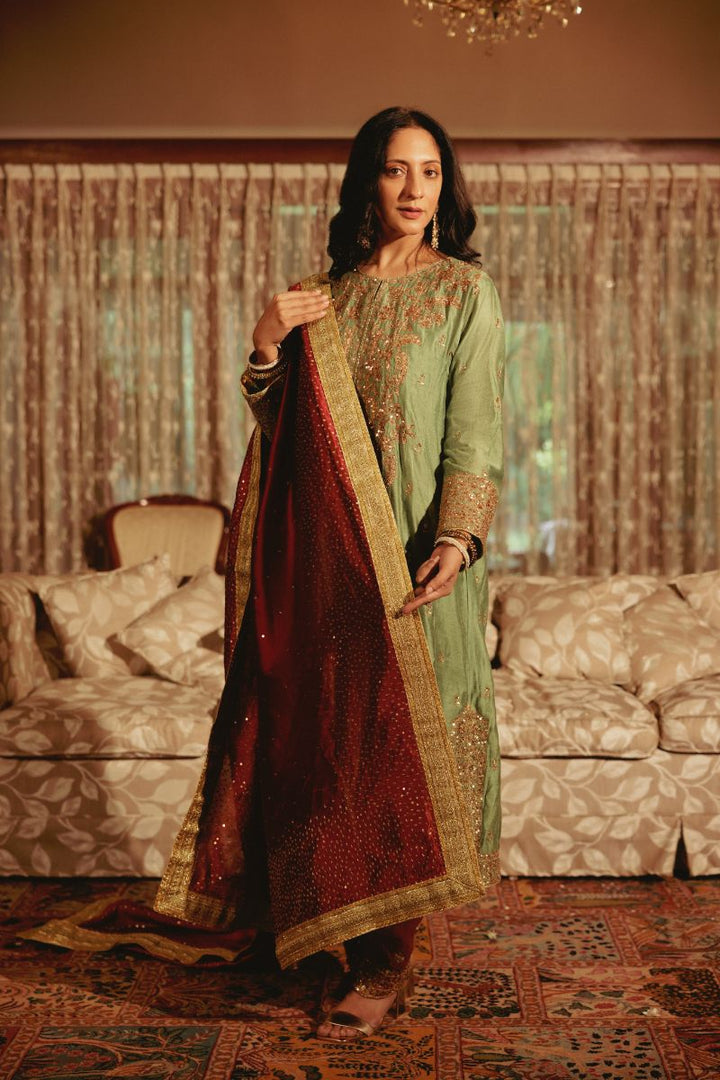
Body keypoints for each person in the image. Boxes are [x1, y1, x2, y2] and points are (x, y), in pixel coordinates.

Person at [153, 105, 505, 1041]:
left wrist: (459, 539)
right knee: (335, 750)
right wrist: (267, 341)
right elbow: (286, 436)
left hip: (419, 563)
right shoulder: (323, 297)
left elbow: (475, 433)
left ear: (446, 185)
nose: (415, 189)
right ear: (366, 182)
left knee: (407, 756)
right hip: (327, 566)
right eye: (396, 169)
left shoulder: (464, 293)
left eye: (430, 171)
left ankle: (387, 958)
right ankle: (330, 927)